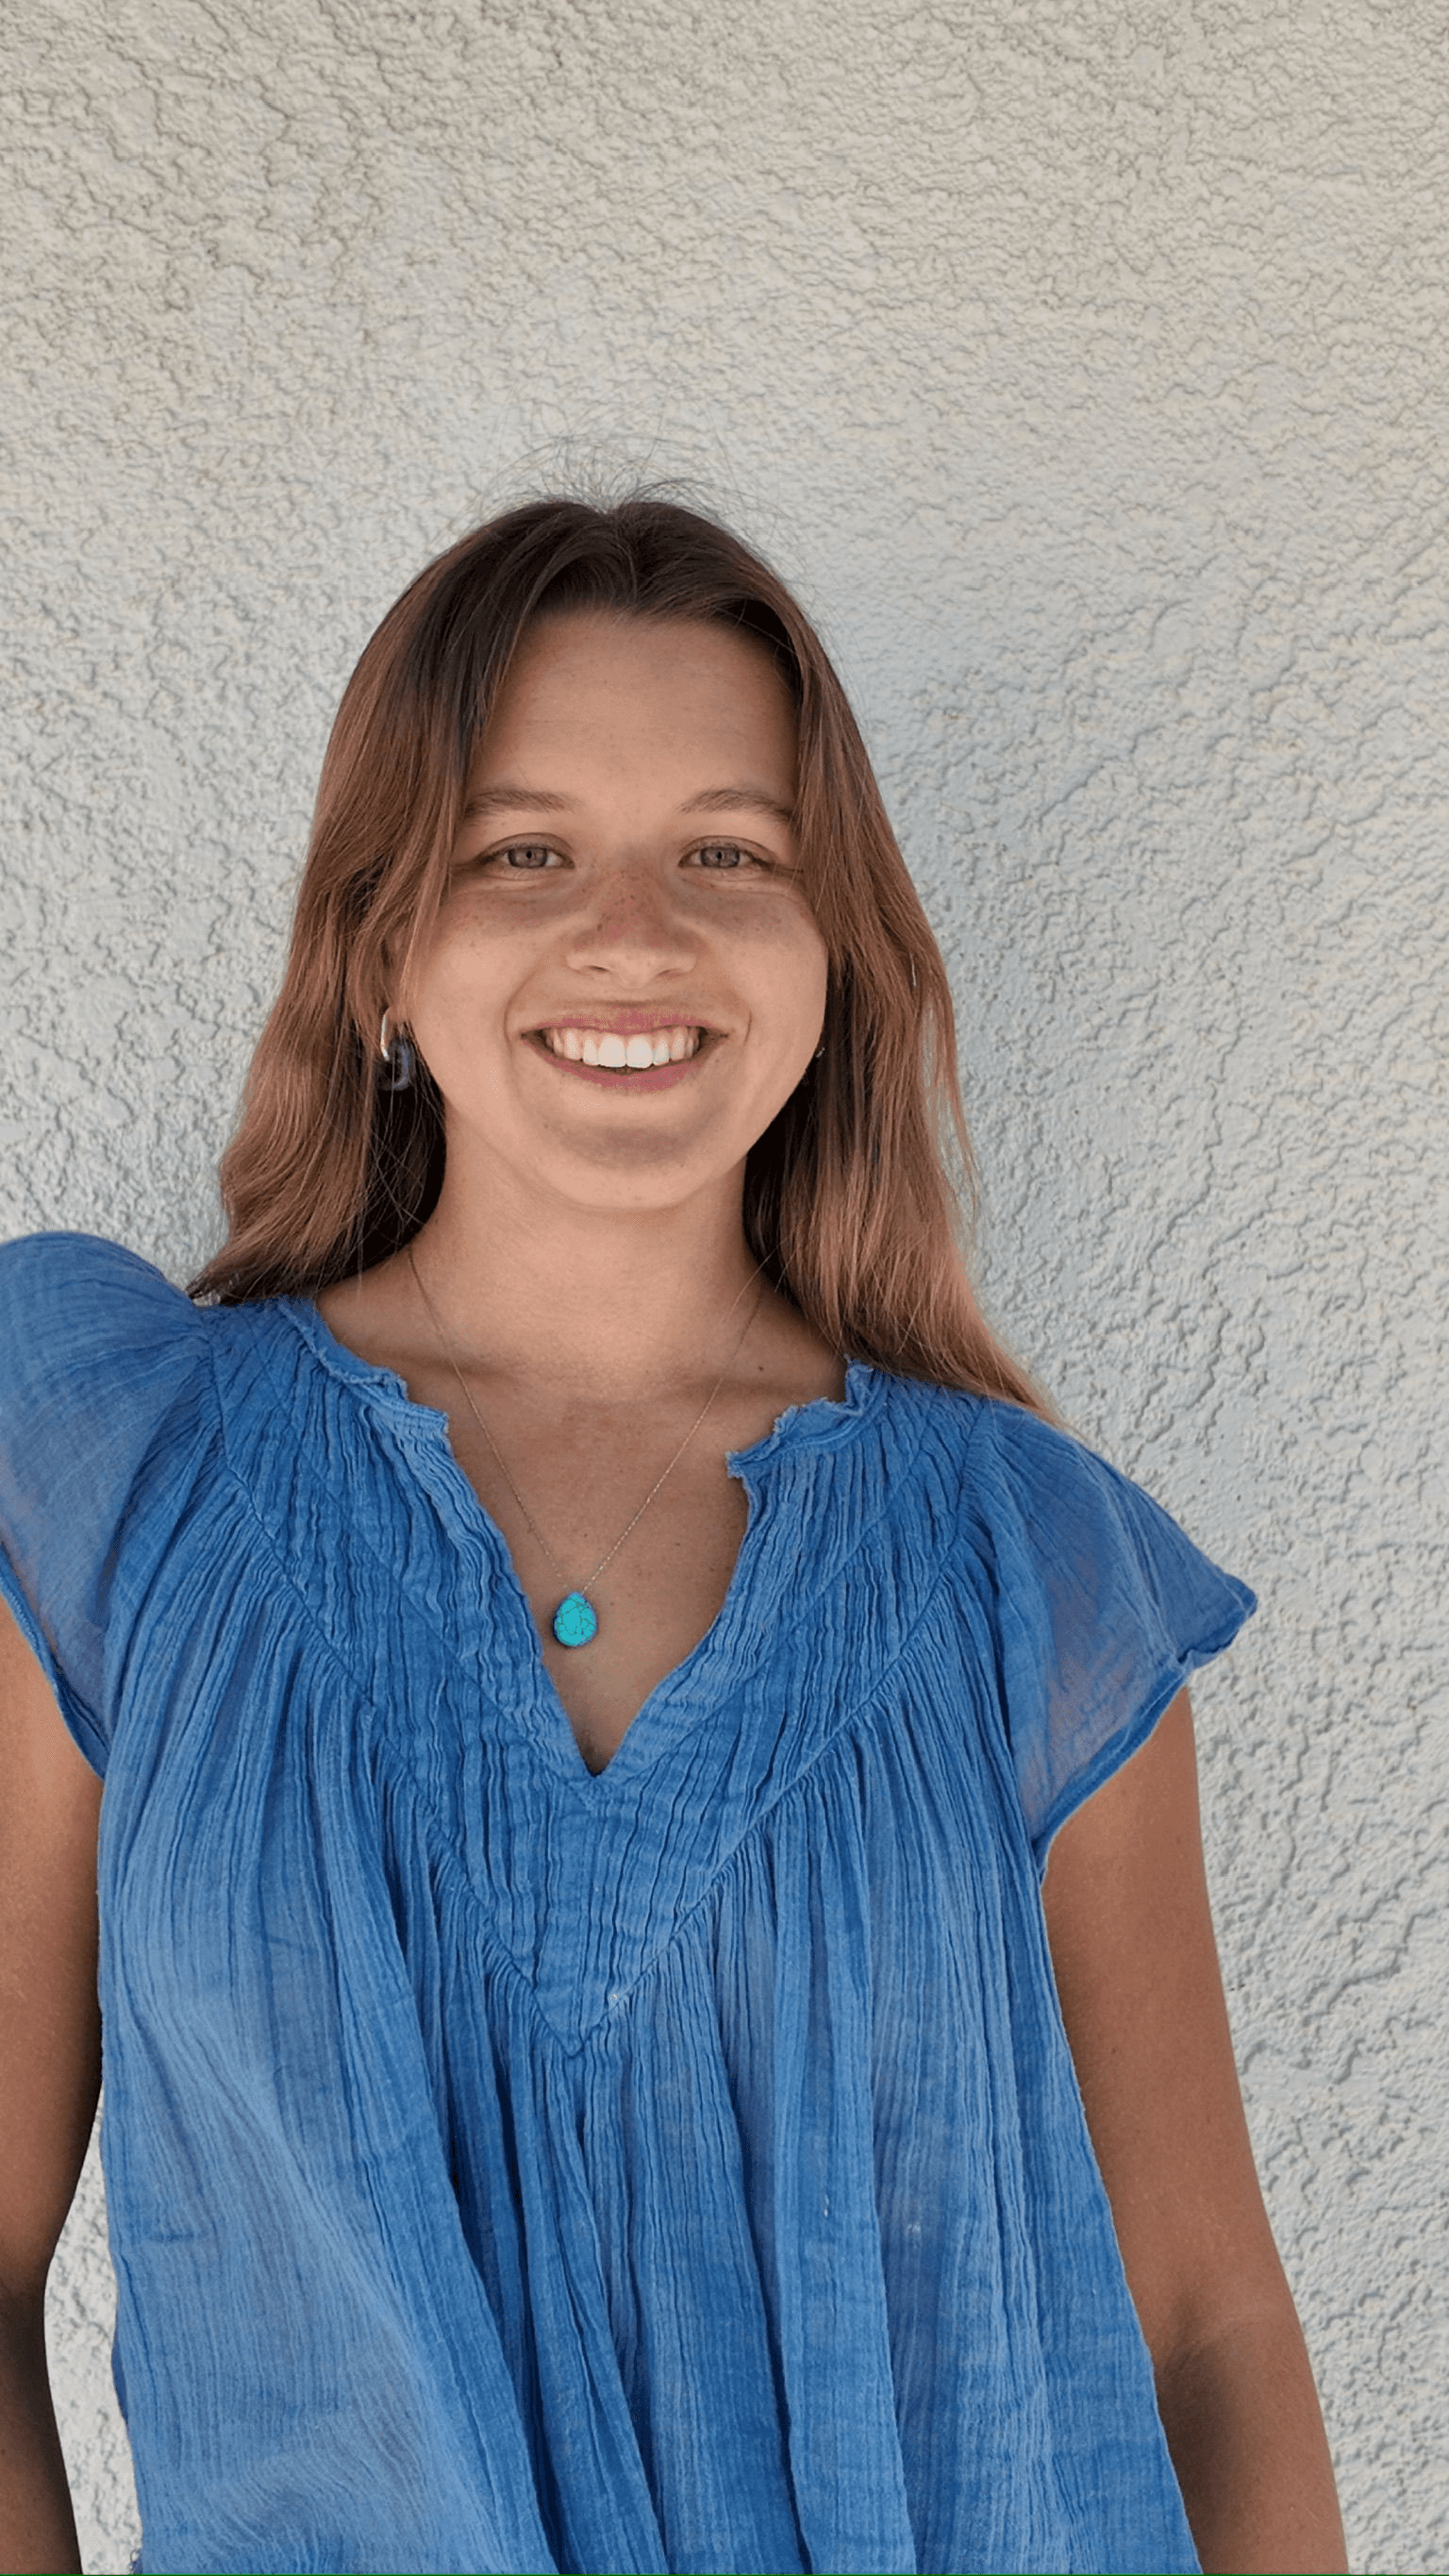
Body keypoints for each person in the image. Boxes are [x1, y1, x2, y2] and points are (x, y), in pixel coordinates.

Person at [0, 493, 1346, 2576]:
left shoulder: (1029, 1567)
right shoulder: (119, 1476)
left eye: (731, 853)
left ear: (833, 962)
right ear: (380, 951)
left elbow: (1208, 2324)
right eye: (520, 851)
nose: (633, 930)